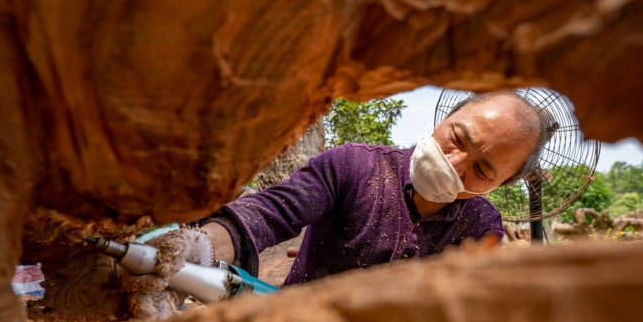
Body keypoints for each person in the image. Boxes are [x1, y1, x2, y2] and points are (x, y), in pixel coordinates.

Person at [179, 90, 552, 286]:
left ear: (502, 184)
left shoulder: (481, 227)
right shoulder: (353, 165)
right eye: (457, 137)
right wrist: (202, 246)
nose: (454, 164)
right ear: (447, 117)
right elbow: (271, 212)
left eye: (482, 169)